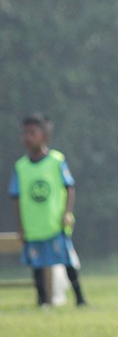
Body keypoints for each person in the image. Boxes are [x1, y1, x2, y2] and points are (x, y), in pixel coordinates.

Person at [8, 114, 88, 307]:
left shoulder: (56, 160)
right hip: (33, 225)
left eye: (32, 133)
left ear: (44, 136)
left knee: (67, 260)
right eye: (24, 133)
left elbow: (69, 187)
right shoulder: (21, 166)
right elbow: (16, 197)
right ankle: (42, 301)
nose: (27, 137)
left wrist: (67, 212)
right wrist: (20, 226)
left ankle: (80, 299)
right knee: (37, 264)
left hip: (55, 223)